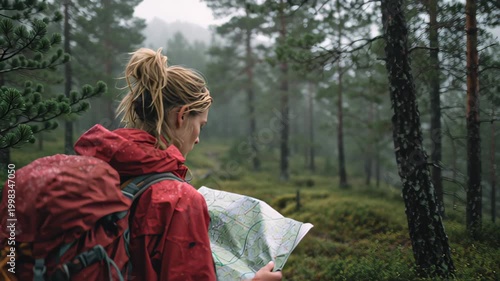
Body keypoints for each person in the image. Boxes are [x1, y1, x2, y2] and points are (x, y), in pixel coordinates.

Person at [74, 48, 282, 281]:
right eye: (200, 125)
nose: (197, 138)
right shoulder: (178, 201)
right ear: (181, 115)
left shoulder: (93, 168)